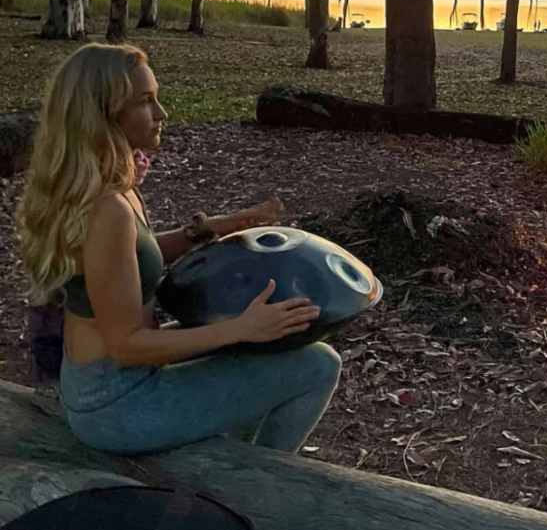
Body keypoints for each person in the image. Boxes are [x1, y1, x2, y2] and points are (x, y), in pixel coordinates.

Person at [17, 43, 341, 456]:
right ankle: (259, 486)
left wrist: (201, 232)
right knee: (317, 366)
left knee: (263, 341)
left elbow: (127, 261)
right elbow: (126, 345)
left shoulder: (110, 188)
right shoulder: (106, 210)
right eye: (146, 101)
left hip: (110, 381)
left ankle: (229, 455)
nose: (162, 114)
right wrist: (240, 329)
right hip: (116, 404)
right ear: (104, 112)